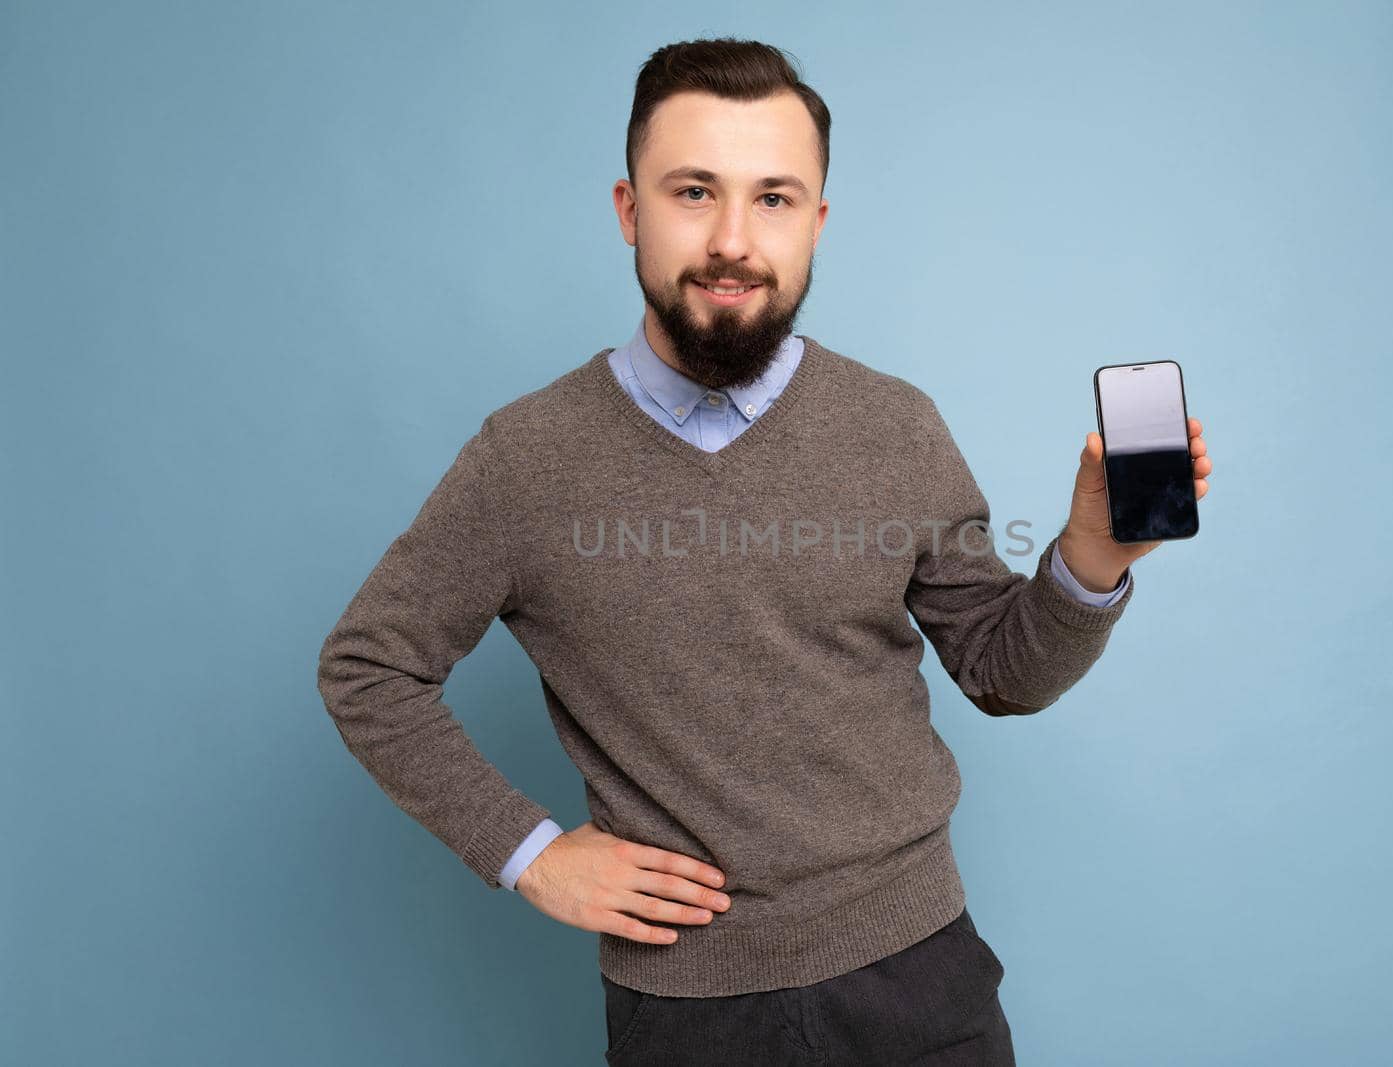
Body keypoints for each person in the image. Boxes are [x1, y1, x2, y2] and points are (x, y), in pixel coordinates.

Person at [316, 36, 1213, 1065]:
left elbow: (1002, 672)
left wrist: (1093, 555)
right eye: (693, 191)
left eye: (774, 198)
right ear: (629, 210)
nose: (733, 239)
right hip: (688, 1011)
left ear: (816, 222)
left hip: (923, 976)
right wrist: (533, 854)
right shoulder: (525, 459)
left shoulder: (896, 425)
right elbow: (368, 667)